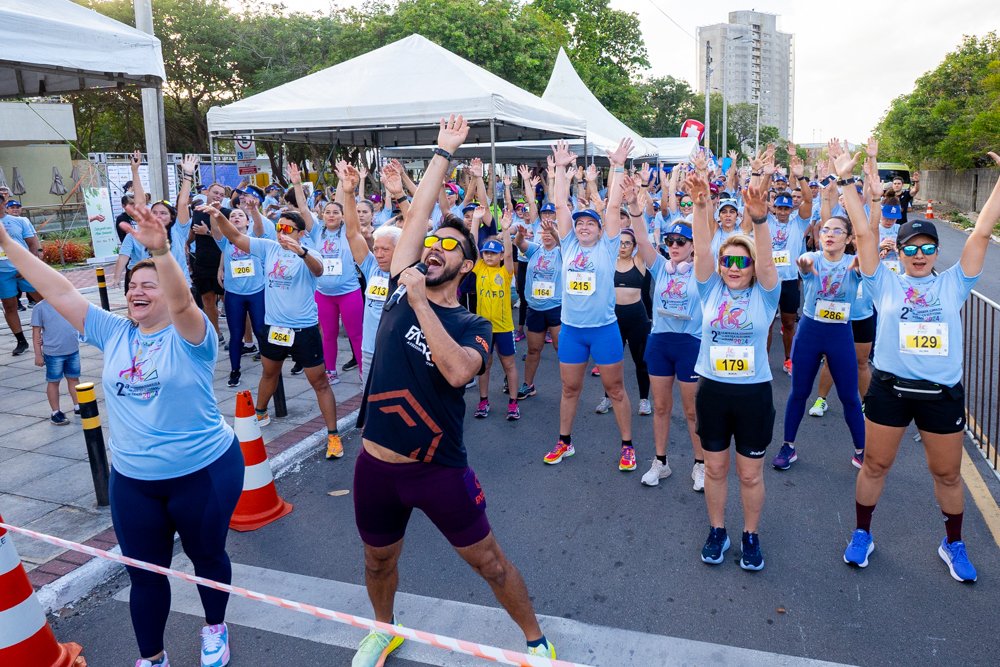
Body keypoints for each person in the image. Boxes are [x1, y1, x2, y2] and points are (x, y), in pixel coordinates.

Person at [351, 114, 557, 666]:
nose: (435, 247)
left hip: (436, 467)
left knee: (489, 562)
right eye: (431, 244)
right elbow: (417, 214)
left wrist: (421, 301)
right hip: (374, 465)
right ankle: (383, 627)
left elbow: (460, 373)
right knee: (377, 562)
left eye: (449, 246)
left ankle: (537, 643)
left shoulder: (472, 325)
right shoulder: (399, 286)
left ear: (464, 265)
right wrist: (442, 154)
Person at [1, 204, 244, 667]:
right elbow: (56, 288)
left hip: (204, 472)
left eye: (148, 285)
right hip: (133, 480)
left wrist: (162, 253)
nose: (137, 292)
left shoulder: (192, 336)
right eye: (132, 285)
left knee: (208, 557)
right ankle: (152, 658)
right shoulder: (112, 331)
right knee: (145, 576)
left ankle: (215, 626)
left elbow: (184, 304)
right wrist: (8, 244)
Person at [838, 141, 999, 583]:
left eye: (928, 248)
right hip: (890, 390)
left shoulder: (954, 284)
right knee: (874, 465)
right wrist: (845, 181)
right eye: (912, 248)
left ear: (936, 253)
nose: (920, 254)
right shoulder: (883, 284)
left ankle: (954, 543)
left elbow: (982, 233)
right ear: (901, 251)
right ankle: (862, 534)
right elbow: (865, 234)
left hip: (940, 396)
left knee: (947, 474)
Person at [690, 165, 780, 571]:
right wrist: (700, 205)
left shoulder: (766, 295)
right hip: (712, 390)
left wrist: (758, 220)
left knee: (749, 474)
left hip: (752, 394)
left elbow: (766, 265)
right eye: (728, 260)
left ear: (752, 264)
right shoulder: (710, 289)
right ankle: (717, 530)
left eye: (742, 261)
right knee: (715, 467)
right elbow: (701, 248)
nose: (734, 266)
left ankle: (750, 535)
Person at [206, 205, 344, 460]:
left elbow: (319, 270)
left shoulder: (310, 252)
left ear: (300, 233)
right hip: (274, 328)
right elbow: (236, 238)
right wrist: (218, 216)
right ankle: (260, 414)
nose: (281, 232)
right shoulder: (268, 247)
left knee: (320, 383)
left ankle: (333, 435)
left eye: (287, 228)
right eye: (279, 227)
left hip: (303, 330)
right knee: (269, 373)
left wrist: (300, 252)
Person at [541, 138, 637, 471]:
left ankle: (627, 445)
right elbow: (561, 206)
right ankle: (564, 442)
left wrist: (618, 165)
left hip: (604, 330)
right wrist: (563, 170)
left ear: (600, 230)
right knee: (570, 388)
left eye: (590, 223)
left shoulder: (608, 248)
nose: (583, 226)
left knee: (615, 390)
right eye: (580, 223)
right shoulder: (566, 245)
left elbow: (612, 207)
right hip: (571, 331)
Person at [771, 214, 866, 471]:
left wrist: (861, 266)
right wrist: (802, 265)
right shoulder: (813, 258)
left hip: (840, 335)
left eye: (837, 231)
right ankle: (787, 446)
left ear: (847, 239)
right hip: (810, 333)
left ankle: (862, 450)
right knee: (799, 393)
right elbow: (804, 264)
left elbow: (864, 267)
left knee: (849, 396)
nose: (830, 234)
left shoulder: (853, 262)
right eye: (825, 230)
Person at [634, 215, 706, 491]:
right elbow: (641, 239)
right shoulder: (662, 268)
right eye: (670, 241)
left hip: (690, 343)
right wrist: (634, 208)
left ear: (692, 246)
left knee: (692, 411)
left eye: (681, 241)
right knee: (661, 407)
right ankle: (661, 462)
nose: (674, 246)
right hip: (661, 342)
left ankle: (700, 465)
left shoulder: (701, 270)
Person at [309, 166, 366, 385]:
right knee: (329, 334)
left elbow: (348, 208)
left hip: (349, 291)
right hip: (323, 293)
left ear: (342, 216)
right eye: (327, 212)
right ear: (322, 215)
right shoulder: (316, 231)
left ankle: (364, 371)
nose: (331, 215)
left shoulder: (349, 230)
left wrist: (345, 184)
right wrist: (296, 184)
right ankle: (330, 371)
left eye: (336, 212)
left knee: (356, 335)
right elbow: (304, 211)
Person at [761, 148, 814, 376]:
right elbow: (757, 197)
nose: (783, 212)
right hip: (769, 281)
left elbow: (809, 201)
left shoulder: (798, 223)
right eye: (779, 208)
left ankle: (788, 359)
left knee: (789, 323)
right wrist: (766, 175)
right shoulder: (767, 222)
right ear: (774, 208)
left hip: (791, 281)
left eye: (786, 208)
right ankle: (763, 360)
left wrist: (801, 177)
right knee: (767, 325)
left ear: (791, 209)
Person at [594, 225, 651, 417]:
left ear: (634, 246)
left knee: (640, 361)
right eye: (620, 243)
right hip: (613, 317)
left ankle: (644, 400)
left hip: (637, 318)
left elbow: (644, 240)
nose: (623, 246)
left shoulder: (639, 262)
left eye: (628, 243)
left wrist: (637, 210)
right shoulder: (609, 261)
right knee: (610, 361)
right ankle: (608, 397)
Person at [212, 200, 268, 388]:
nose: (236, 217)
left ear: (247, 222)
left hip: (256, 292)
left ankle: (269, 369)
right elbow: (216, 229)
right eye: (232, 216)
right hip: (234, 294)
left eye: (240, 215)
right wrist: (215, 212)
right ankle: (235, 370)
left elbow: (259, 226)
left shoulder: (255, 237)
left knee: (261, 330)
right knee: (236, 335)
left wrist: (254, 211)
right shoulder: (225, 242)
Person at [472, 209, 520, 421]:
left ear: (501, 256)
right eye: (486, 252)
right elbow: (472, 248)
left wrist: (506, 229)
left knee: (508, 365)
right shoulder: (480, 268)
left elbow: (510, 254)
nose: (489, 255)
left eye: (494, 253)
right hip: (484, 328)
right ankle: (483, 401)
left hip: (504, 328)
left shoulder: (505, 271)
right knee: (485, 365)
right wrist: (475, 221)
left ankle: (513, 403)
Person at [513, 217, 561, 400]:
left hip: (556, 307)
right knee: (533, 349)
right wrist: (520, 233)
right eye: (544, 233)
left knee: (560, 348)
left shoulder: (562, 252)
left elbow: (564, 243)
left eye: (551, 233)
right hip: (535, 308)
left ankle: (569, 386)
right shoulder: (535, 250)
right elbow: (519, 243)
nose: (547, 236)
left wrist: (555, 232)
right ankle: (528, 385)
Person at [1, 187, 42, 355]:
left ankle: (51, 335)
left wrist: (28, 266)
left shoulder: (20, 221)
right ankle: (21, 342)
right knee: (9, 307)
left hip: (24, 268)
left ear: (3, 204)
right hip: (3, 273)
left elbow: (33, 244)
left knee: (44, 302)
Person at [190, 180, 231, 344]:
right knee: (207, 300)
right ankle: (215, 334)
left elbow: (229, 237)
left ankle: (238, 336)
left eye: (221, 195)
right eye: (215, 193)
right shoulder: (197, 211)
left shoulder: (226, 213)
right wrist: (186, 243)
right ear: (207, 193)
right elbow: (192, 231)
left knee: (226, 300)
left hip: (220, 262)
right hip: (201, 261)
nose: (218, 197)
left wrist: (206, 232)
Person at [31, 295, 81, 425]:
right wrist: (38, 354)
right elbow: (36, 333)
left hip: (72, 349)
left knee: (74, 379)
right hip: (53, 353)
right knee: (54, 382)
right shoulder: (40, 308)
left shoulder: (70, 302)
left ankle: (78, 407)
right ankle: (56, 412)